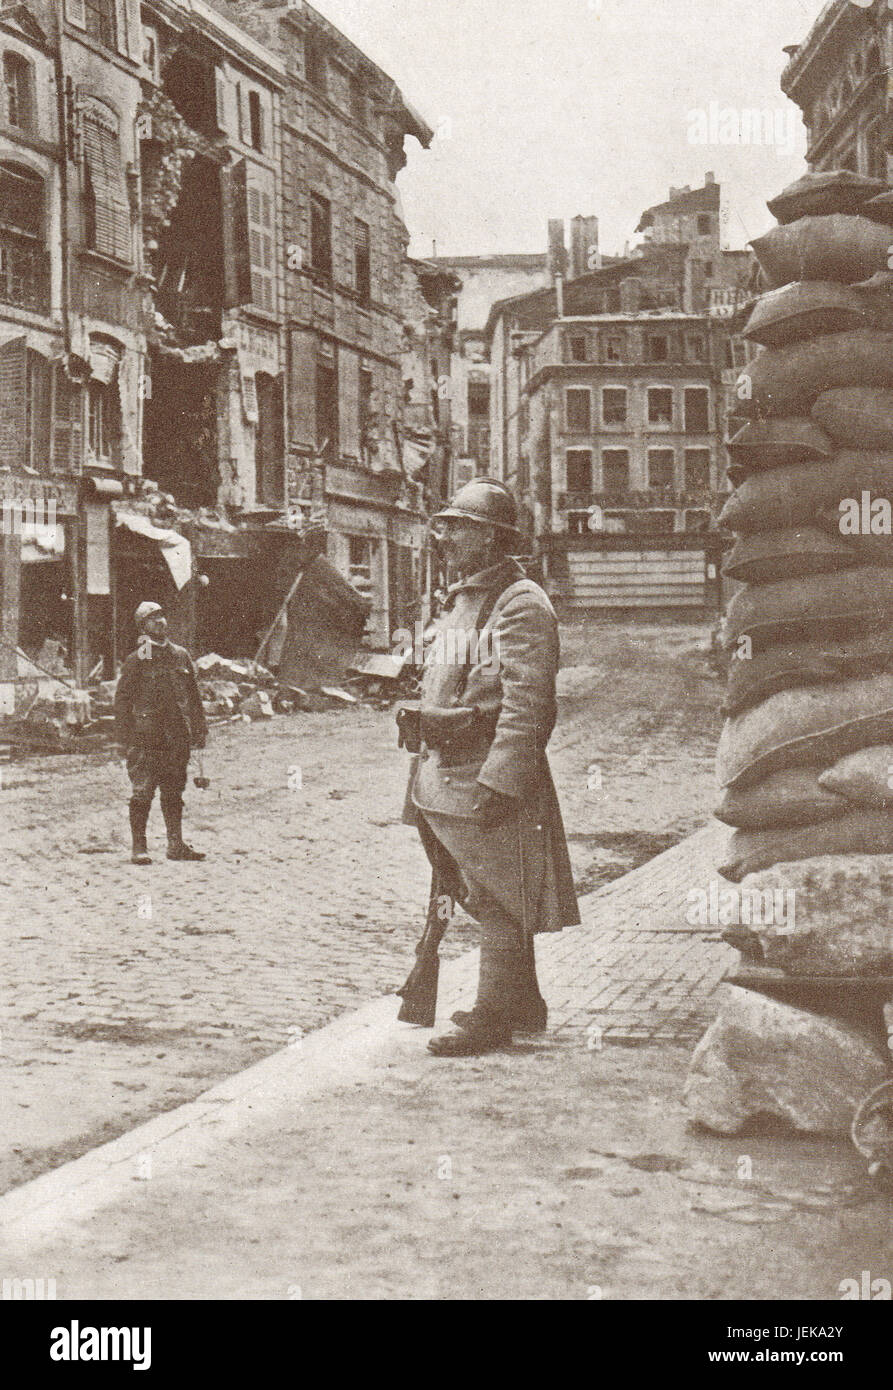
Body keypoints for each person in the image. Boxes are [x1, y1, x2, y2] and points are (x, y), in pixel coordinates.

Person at [402, 479, 580, 1056]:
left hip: (483, 774)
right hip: (445, 769)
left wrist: (501, 779)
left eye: (461, 526)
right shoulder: (463, 597)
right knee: (484, 889)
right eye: (445, 524)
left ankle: (491, 1018)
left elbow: (529, 704)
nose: (445, 535)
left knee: (497, 896)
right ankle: (522, 1002)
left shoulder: (521, 601)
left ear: (494, 537)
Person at [114, 602, 208, 865]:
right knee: (142, 793)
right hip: (147, 738)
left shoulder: (180, 655)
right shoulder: (138, 658)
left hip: (177, 736)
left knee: (174, 792)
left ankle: (176, 845)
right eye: (152, 619)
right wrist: (123, 739)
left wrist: (199, 729)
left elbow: (193, 696)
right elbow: (122, 700)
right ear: (142, 627)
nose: (160, 622)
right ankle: (139, 847)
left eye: (162, 617)